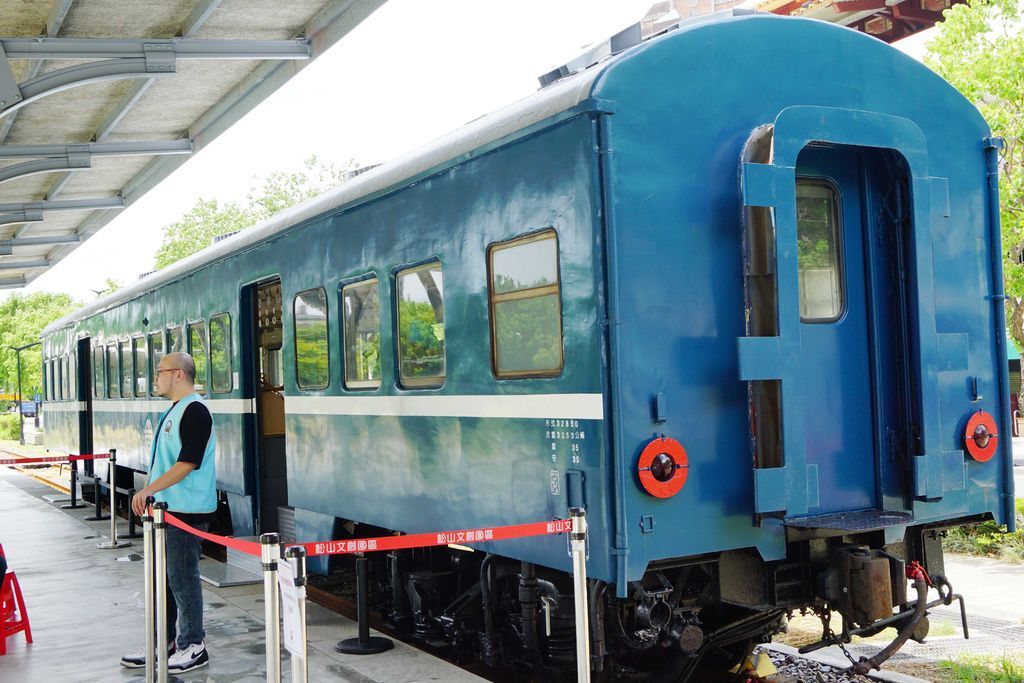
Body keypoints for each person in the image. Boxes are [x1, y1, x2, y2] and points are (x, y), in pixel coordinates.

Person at [120, 352, 217, 673]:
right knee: (166, 580)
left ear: (179, 375)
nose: (156, 378)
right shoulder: (175, 410)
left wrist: (148, 489)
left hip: (185, 511)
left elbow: (188, 462)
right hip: (168, 511)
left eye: (160, 372)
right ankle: (164, 643)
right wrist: (151, 493)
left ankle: (193, 644)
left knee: (183, 578)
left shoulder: (196, 411)